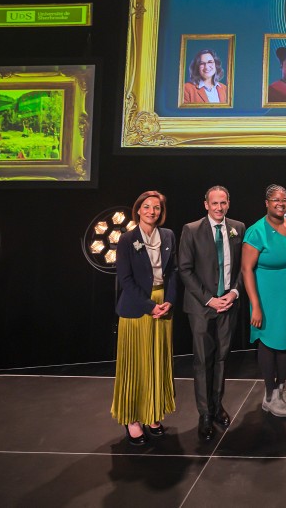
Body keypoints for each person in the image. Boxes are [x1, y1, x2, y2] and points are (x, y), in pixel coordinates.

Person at [178, 185, 245, 441]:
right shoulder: (191, 230)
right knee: (203, 361)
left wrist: (234, 293)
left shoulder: (238, 228)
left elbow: (243, 267)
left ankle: (218, 408)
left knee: (222, 359)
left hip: (228, 305)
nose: (219, 207)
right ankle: (205, 414)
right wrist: (209, 299)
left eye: (223, 203)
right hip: (201, 308)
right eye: (214, 203)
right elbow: (184, 269)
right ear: (206, 204)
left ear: (228, 204)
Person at [111, 190, 178, 446]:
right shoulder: (128, 239)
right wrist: (150, 306)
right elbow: (125, 280)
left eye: (157, 208)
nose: (152, 212)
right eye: (147, 207)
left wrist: (168, 300)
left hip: (164, 305)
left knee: (157, 362)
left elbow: (173, 272)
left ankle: (152, 414)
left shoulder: (168, 235)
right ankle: (133, 419)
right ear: (138, 209)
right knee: (137, 364)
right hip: (138, 308)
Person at [241, 184, 286, 417]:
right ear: (266, 203)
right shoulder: (257, 231)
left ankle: (280, 389)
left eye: (284, 200)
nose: (281, 203)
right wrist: (255, 305)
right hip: (269, 297)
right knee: (272, 344)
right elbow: (246, 269)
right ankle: (270, 394)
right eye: (275, 200)